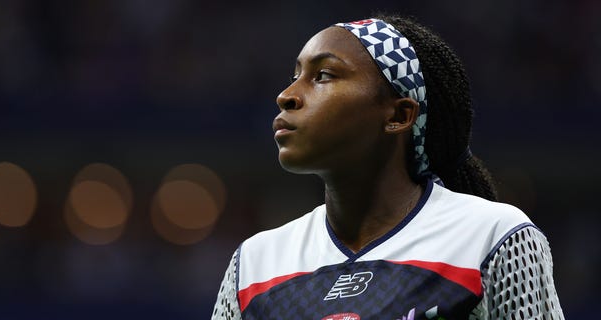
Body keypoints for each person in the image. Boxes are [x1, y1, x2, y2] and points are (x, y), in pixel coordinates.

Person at [212, 14, 563, 319]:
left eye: (323, 75)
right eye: (296, 74)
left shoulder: (492, 237)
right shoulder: (255, 264)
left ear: (398, 115)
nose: (287, 95)